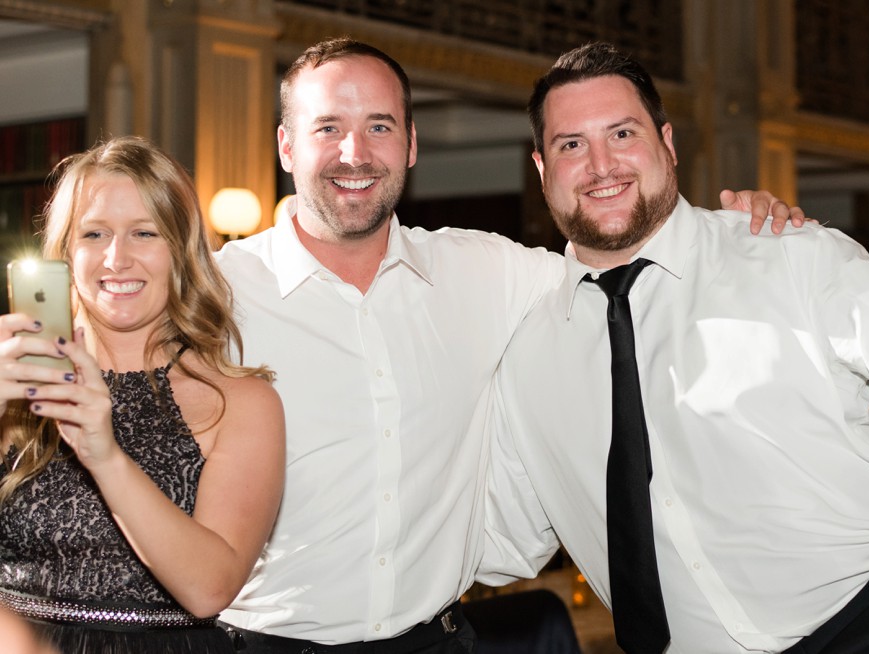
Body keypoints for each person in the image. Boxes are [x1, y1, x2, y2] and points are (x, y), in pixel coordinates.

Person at [214, 37, 805, 653]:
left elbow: (624, 262)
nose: (354, 153)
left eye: (379, 126)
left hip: (438, 640)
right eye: (327, 127)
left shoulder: (486, 271)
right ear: (286, 144)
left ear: (412, 144)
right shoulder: (213, 294)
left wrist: (743, 231)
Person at [480, 42, 869, 654]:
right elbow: (497, 537)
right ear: (541, 167)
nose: (600, 164)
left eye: (623, 133)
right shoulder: (524, 352)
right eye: (571, 144)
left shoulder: (781, 252)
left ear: (668, 143)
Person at [0, 136, 286, 653]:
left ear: (181, 249)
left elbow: (211, 589)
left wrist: (104, 455)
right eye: (94, 233)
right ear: (66, 252)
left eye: (143, 233)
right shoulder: (14, 380)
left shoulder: (242, 401)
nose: (117, 258)